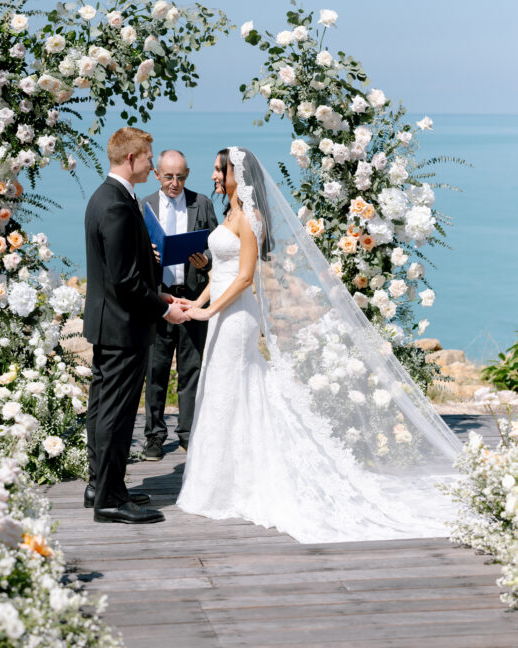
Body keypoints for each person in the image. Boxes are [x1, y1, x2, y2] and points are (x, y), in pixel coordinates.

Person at [176, 147, 462, 543]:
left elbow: (243, 279)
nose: (211, 175)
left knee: (231, 388)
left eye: (217, 169)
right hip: (221, 311)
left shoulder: (251, 218)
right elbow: (220, 274)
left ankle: (237, 481)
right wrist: (198, 303)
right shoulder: (228, 214)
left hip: (238, 317)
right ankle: (220, 479)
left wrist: (208, 314)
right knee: (222, 389)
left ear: (235, 175)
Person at [83, 126, 189, 525]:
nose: (151, 163)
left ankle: (102, 484)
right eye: (148, 157)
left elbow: (120, 269)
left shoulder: (107, 197)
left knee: (102, 409)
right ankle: (109, 498)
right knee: (116, 414)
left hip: (109, 322)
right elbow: (125, 281)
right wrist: (165, 310)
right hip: (122, 327)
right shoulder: (115, 204)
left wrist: (154, 281)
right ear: (131, 159)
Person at [141, 149, 218, 459]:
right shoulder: (144, 204)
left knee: (192, 368)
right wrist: (148, 253)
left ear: (188, 174)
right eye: (169, 177)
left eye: (181, 176)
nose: (175, 183)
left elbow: (215, 245)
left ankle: (188, 433)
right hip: (159, 298)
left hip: (192, 296)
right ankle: (154, 436)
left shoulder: (202, 203)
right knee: (156, 370)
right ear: (157, 175)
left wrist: (204, 261)